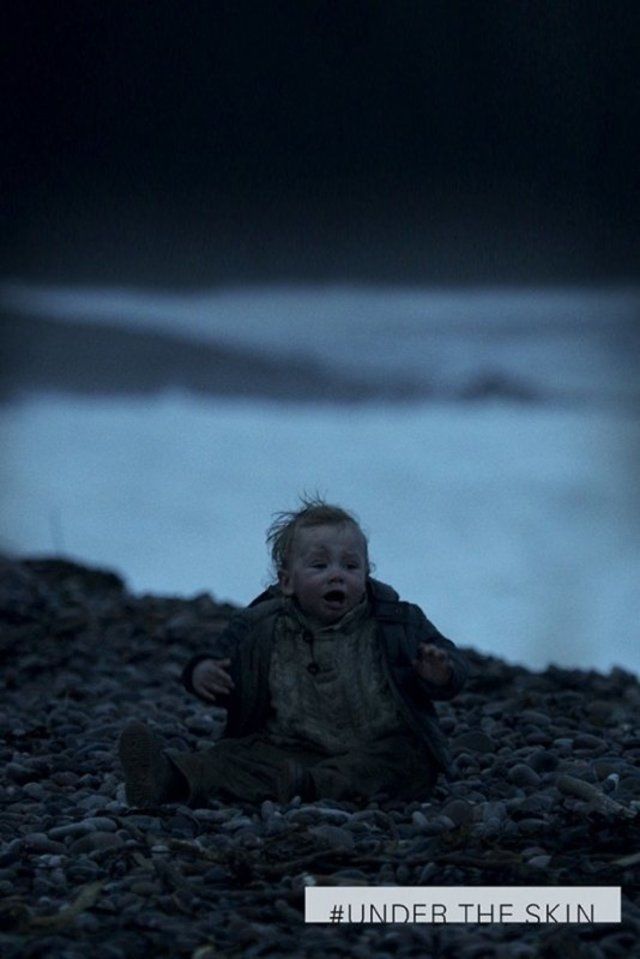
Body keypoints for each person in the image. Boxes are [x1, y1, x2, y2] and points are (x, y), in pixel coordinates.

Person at [119, 498, 469, 807]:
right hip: (288, 746)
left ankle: (308, 786)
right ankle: (168, 777)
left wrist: (441, 674)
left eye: (350, 566)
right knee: (230, 757)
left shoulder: (398, 621)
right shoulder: (260, 625)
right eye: (320, 566)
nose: (337, 576)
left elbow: (451, 662)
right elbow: (219, 660)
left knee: (409, 761)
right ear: (287, 581)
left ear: (367, 574)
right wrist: (201, 672)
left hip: (375, 745)